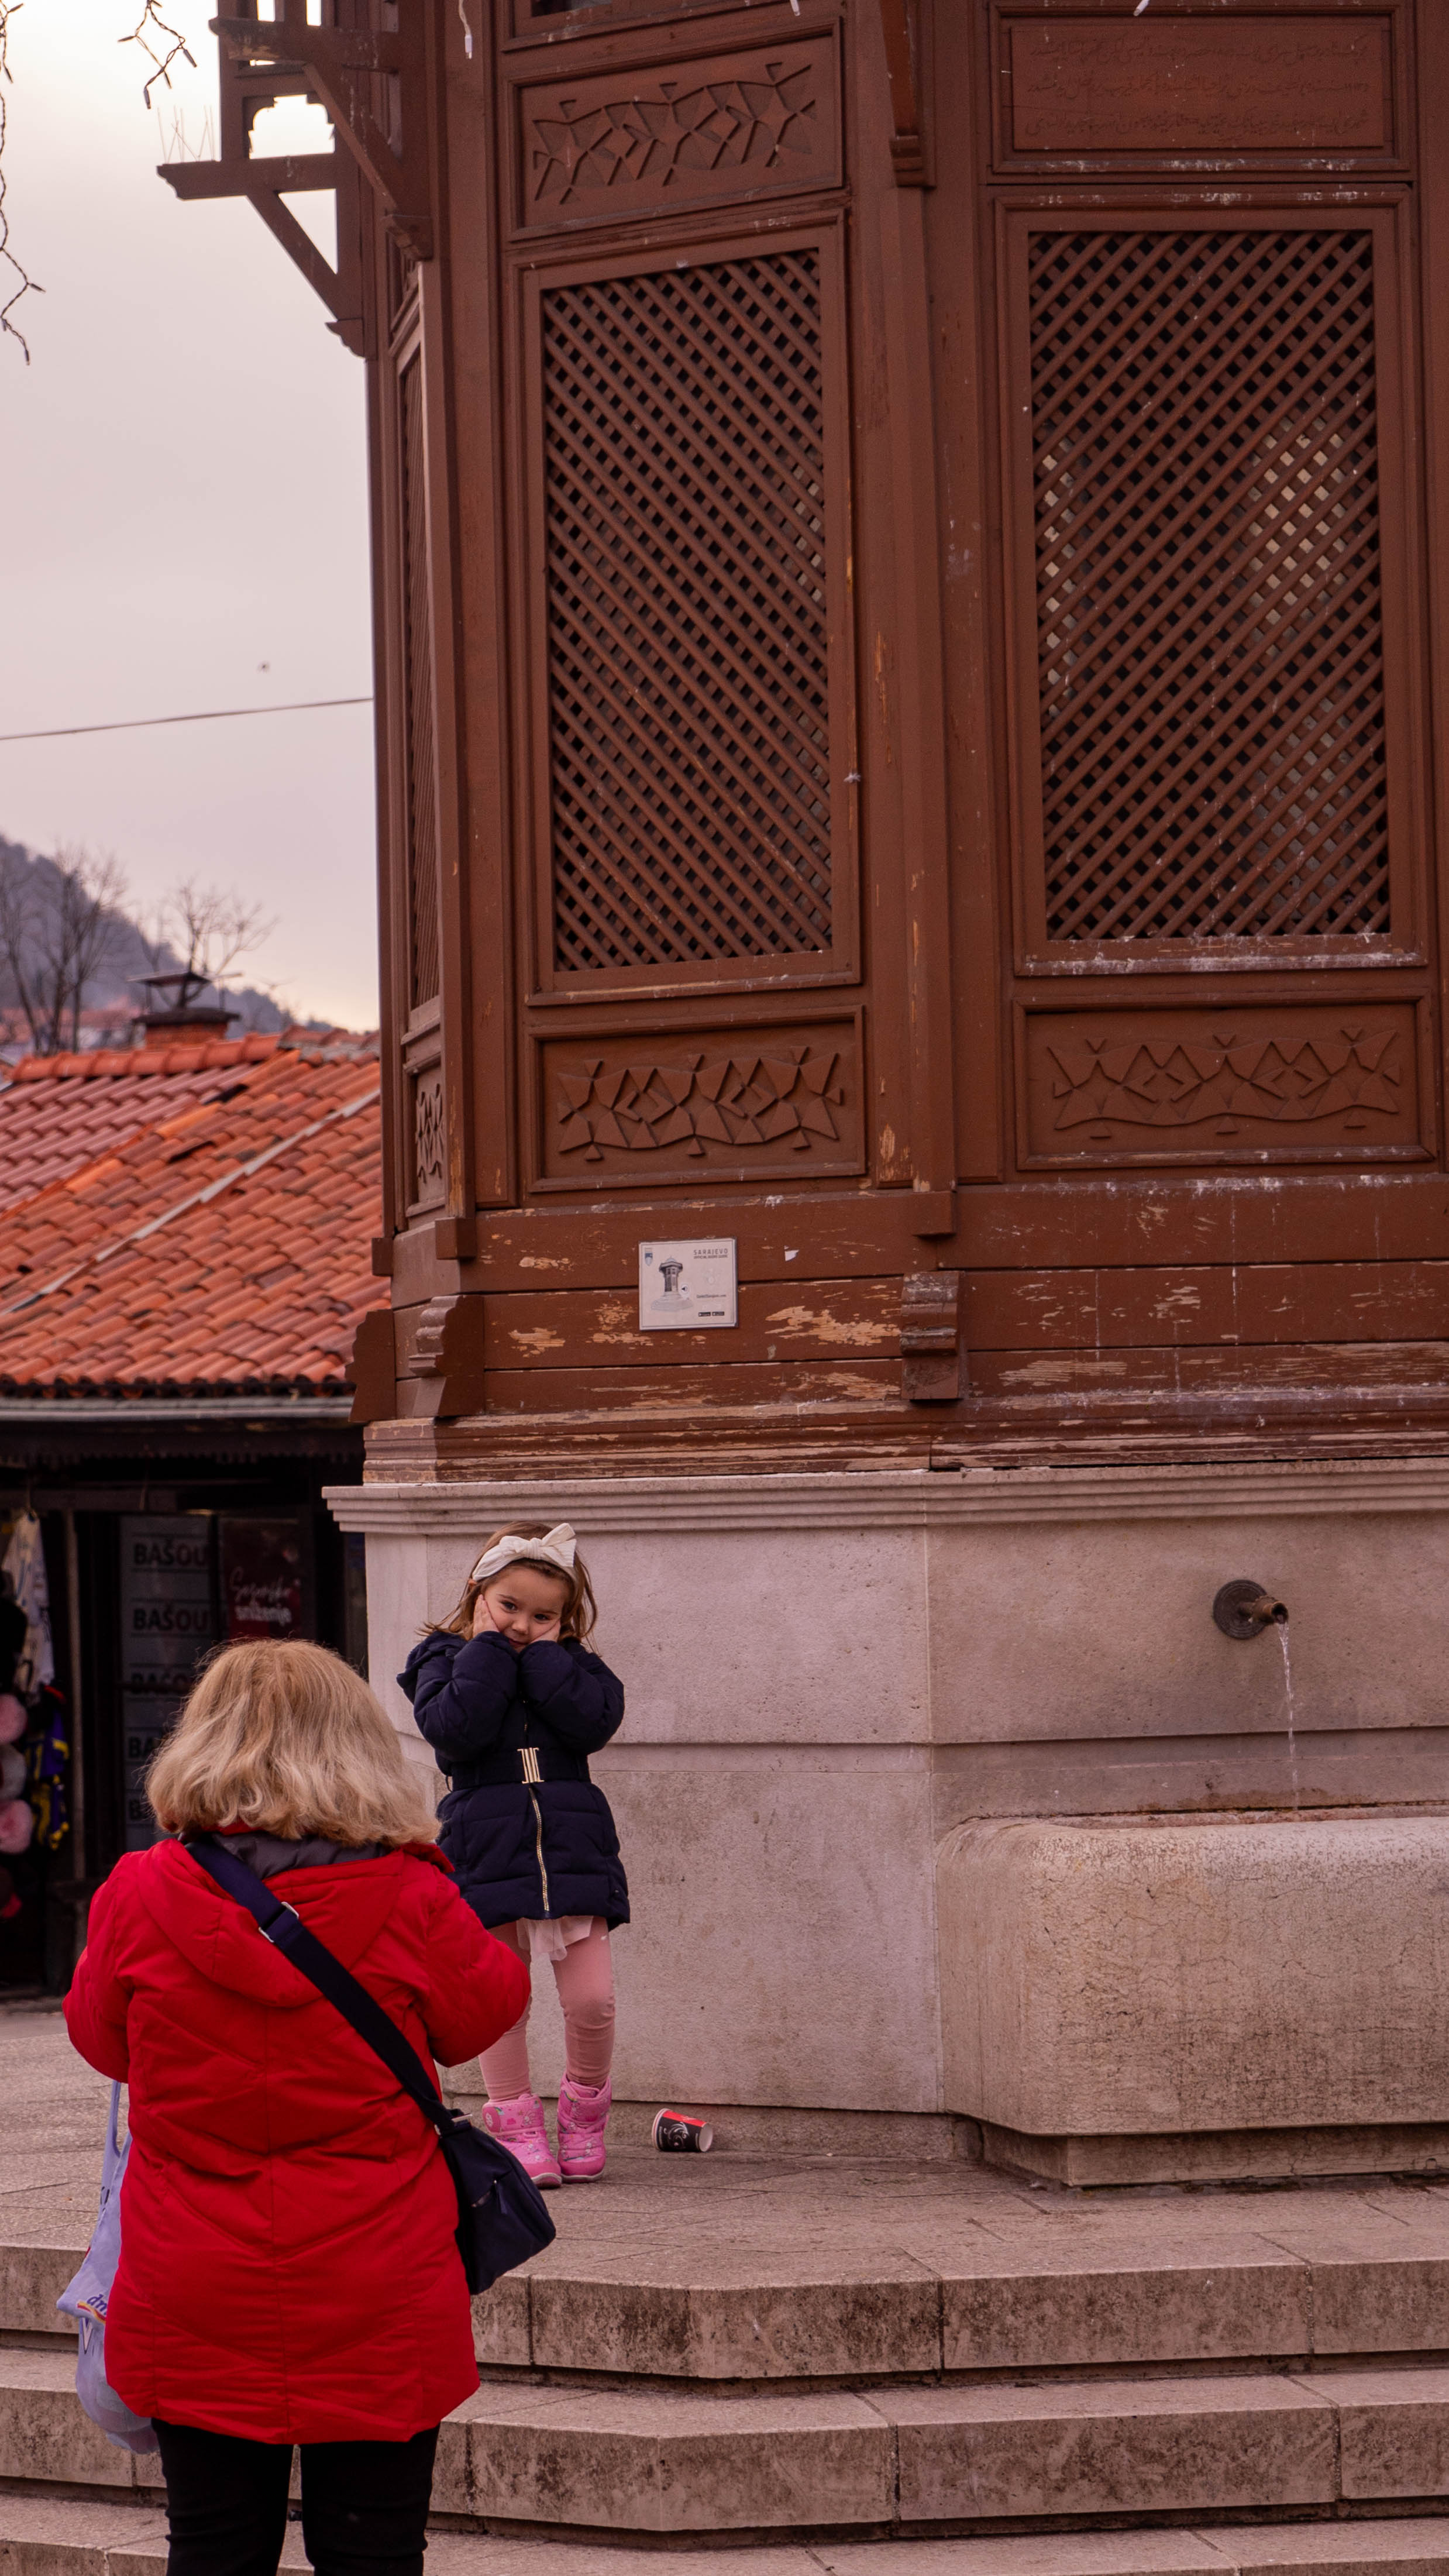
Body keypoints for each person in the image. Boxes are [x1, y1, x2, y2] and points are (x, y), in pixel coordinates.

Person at [64, 1638, 529, 2576]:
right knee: (374, 2552)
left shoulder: (138, 1891)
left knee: (212, 2549)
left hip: (194, 2277)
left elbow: (102, 2041)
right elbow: (486, 2011)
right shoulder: (413, 1893)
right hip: (379, 2279)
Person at [400, 1521, 627, 2188]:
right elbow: (455, 1730)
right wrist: (490, 1651)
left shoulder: (573, 1663)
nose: (523, 1624)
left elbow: (595, 1722)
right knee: (500, 1998)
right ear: (478, 1592)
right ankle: (514, 2120)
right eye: (509, 1606)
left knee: (593, 1999)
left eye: (542, 1615)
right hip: (484, 1842)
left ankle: (584, 2112)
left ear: (565, 1618)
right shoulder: (443, 1659)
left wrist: (545, 1660)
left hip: (572, 1844)